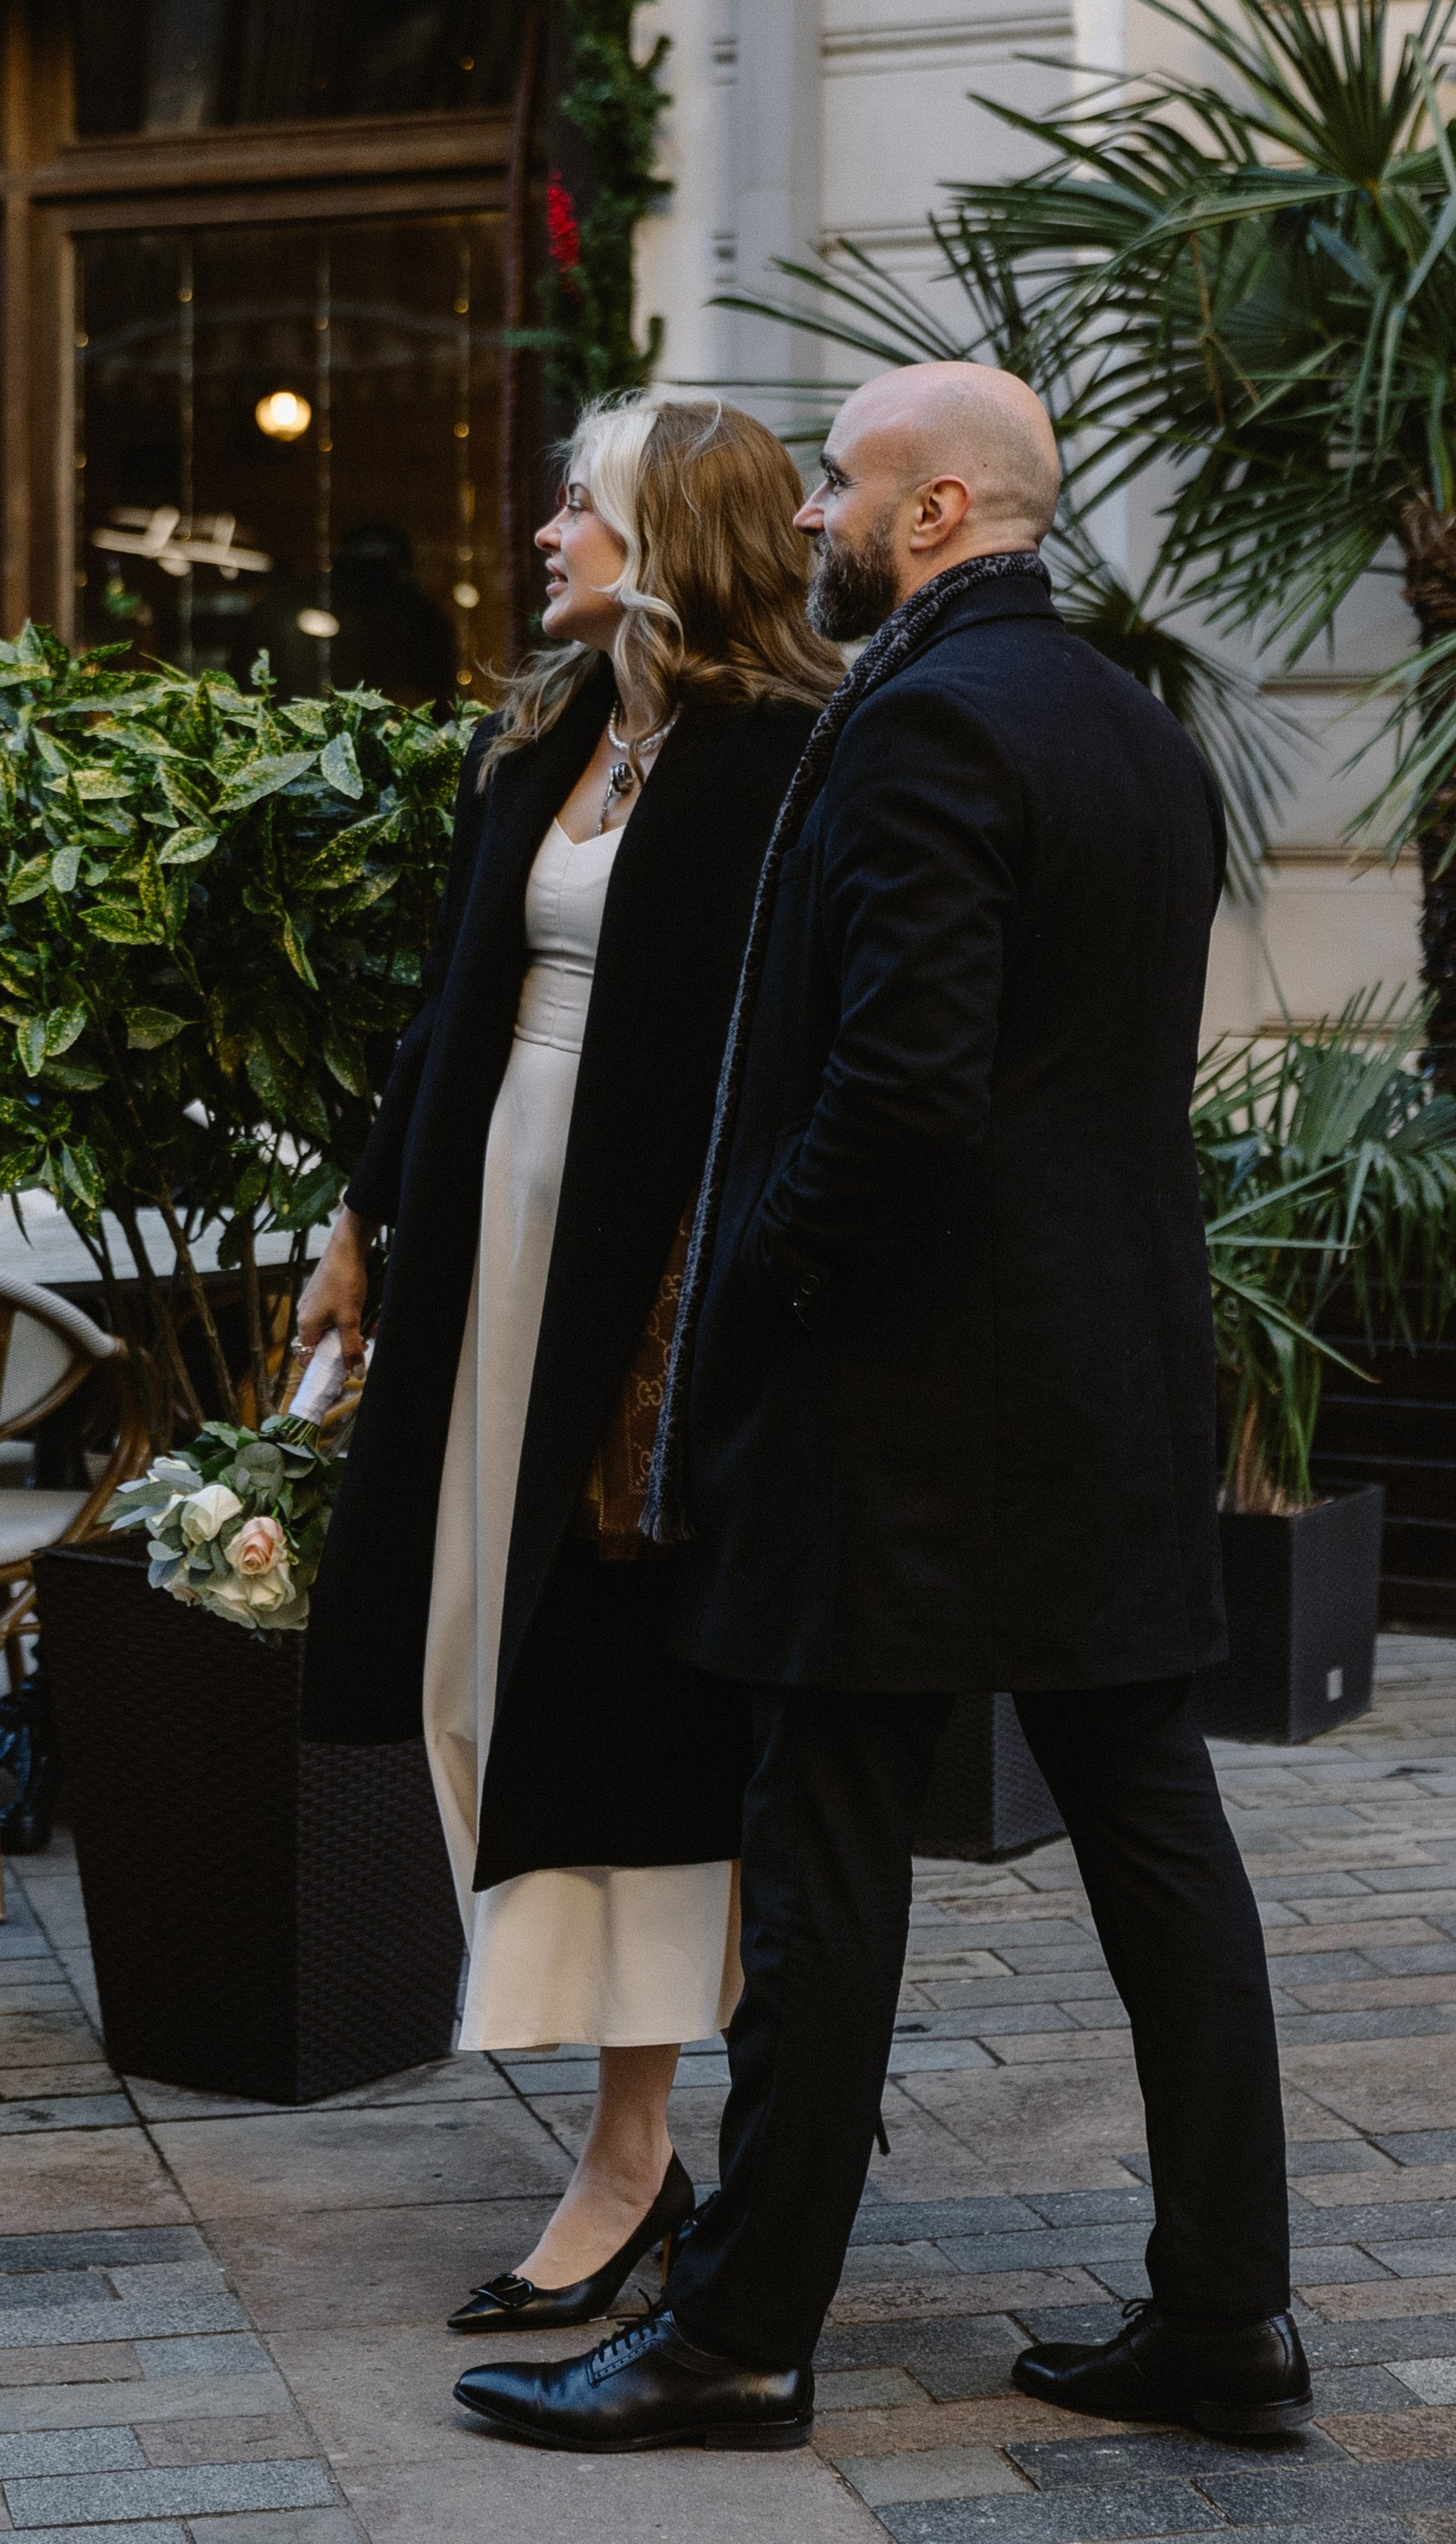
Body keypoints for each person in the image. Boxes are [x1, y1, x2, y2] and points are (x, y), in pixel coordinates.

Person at [452, 360, 1308, 2455]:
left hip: (901, 1405)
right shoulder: (1128, 722)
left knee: (820, 1874)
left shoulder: (919, 717)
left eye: (843, 480)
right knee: (1157, 1847)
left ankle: (737, 2334)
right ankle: (1225, 2318)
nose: (818, 509)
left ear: (931, 516)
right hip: (1105, 1383)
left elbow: (903, 1090)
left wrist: (761, 1284)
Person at [297, 393, 842, 2333]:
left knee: (608, 1687)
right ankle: (621, 2107)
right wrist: (357, 1217)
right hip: (483, 1251)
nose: (543, 531)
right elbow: (455, 998)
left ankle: (629, 2153)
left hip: (648, 1302)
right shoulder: (542, 732)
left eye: (578, 505)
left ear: (667, 534)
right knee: (461, 1667)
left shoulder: (784, 754)